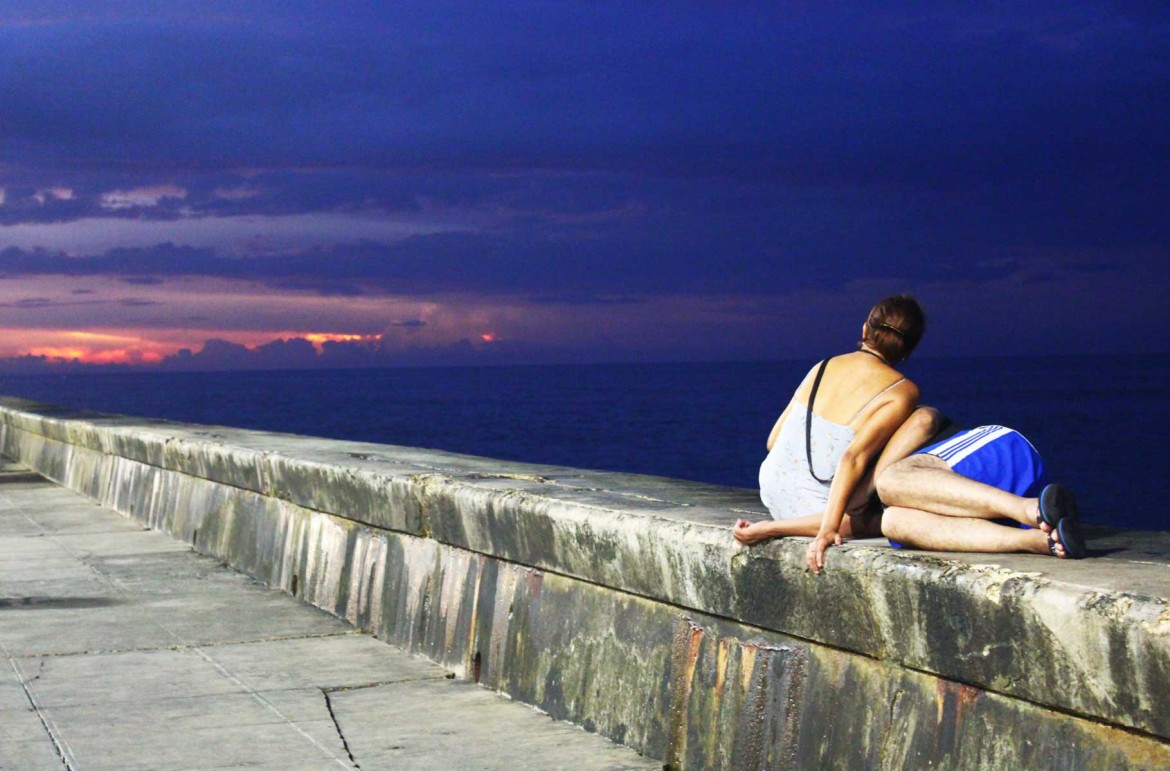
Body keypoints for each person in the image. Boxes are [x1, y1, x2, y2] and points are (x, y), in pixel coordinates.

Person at [734, 294, 944, 569]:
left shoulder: (822, 366)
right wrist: (828, 530)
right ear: (909, 348)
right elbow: (852, 458)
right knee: (929, 418)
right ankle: (775, 528)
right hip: (816, 511)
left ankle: (780, 524)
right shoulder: (902, 390)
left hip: (771, 487)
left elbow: (773, 440)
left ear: (865, 329)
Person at [876, 424, 1087, 561]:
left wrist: (866, 484)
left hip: (997, 455)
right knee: (893, 522)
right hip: (979, 519)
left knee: (890, 479)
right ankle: (1039, 541)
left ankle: (1031, 509)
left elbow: (925, 417)